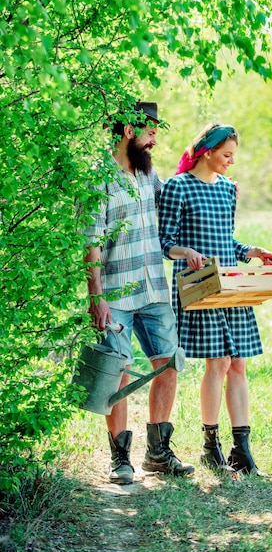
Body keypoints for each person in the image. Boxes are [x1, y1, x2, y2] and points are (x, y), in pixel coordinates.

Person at [158, 123, 272, 476]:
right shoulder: (178, 187)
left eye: (234, 156)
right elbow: (165, 243)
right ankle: (211, 447)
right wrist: (188, 252)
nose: (231, 162)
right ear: (207, 152)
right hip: (199, 285)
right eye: (226, 155)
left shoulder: (228, 189)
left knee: (239, 364)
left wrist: (250, 250)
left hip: (232, 285)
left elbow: (226, 241)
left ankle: (242, 451)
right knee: (220, 363)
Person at [83, 101, 194, 484]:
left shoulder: (150, 178)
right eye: (150, 134)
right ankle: (120, 458)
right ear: (130, 131)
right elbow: (91, 243)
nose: (154, 142)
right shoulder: (98, 179)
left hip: (154, 289)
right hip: (115, 292)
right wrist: (95, 295)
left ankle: (158, 454)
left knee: (168, 364)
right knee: (118, 373)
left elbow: (180, 199)